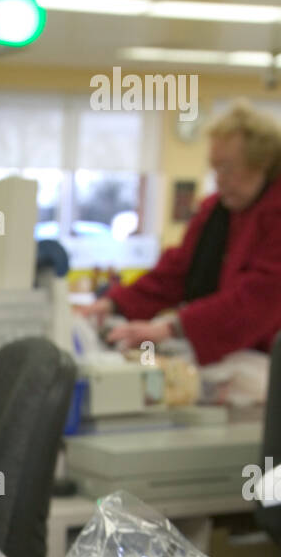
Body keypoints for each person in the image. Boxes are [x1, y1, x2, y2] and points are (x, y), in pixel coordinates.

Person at [87, 101, 281, 367]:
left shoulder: (274, 214)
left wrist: (173, 327)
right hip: (230, 355)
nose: (219, 179)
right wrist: (113, 304)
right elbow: (175, 273)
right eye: (215, 168)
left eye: (228, 168)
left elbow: (258, 299)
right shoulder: (215, 211)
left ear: (262, 164)